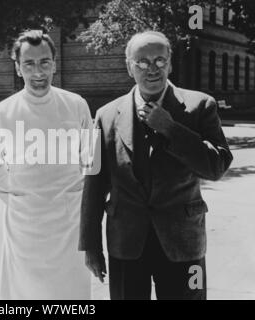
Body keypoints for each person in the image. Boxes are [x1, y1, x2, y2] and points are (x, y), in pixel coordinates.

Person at [79, 30, 233, 300]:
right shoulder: (105, 116)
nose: (152, 69)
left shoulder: (200, 106)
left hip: (183, 243)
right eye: (142, 62)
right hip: (125, 243)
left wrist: (171, 129)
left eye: (160, 61)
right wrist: (91, 245)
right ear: (129, 67)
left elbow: (216, 166)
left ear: (170, 64)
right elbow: (94, 183)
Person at [0, 30, 92, 299]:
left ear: (54, 63)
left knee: (69, 294)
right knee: (24, 293)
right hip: (24, 224)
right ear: (18, 68)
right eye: (28, 64)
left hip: (69, 224)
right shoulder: (2, 112)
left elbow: (93, 162)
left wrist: (74, 198)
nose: (38, 72)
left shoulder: (76, 105)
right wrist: (20, 196)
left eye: (44, 62)